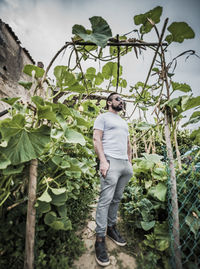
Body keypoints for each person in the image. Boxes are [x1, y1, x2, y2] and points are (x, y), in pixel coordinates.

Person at [93, 92, 133, 266]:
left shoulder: (124, 122)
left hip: (124, 164)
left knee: (116, 199)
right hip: (110, 162)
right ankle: (100, 239)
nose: (121, 101)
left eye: (122, 100)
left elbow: (128, 143)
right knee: (105, 200)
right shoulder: (103, 117)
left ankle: (111, 228)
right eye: (118, 99)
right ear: (109, 102)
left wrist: (130, 163)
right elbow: (96, 139)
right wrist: (102, 160)